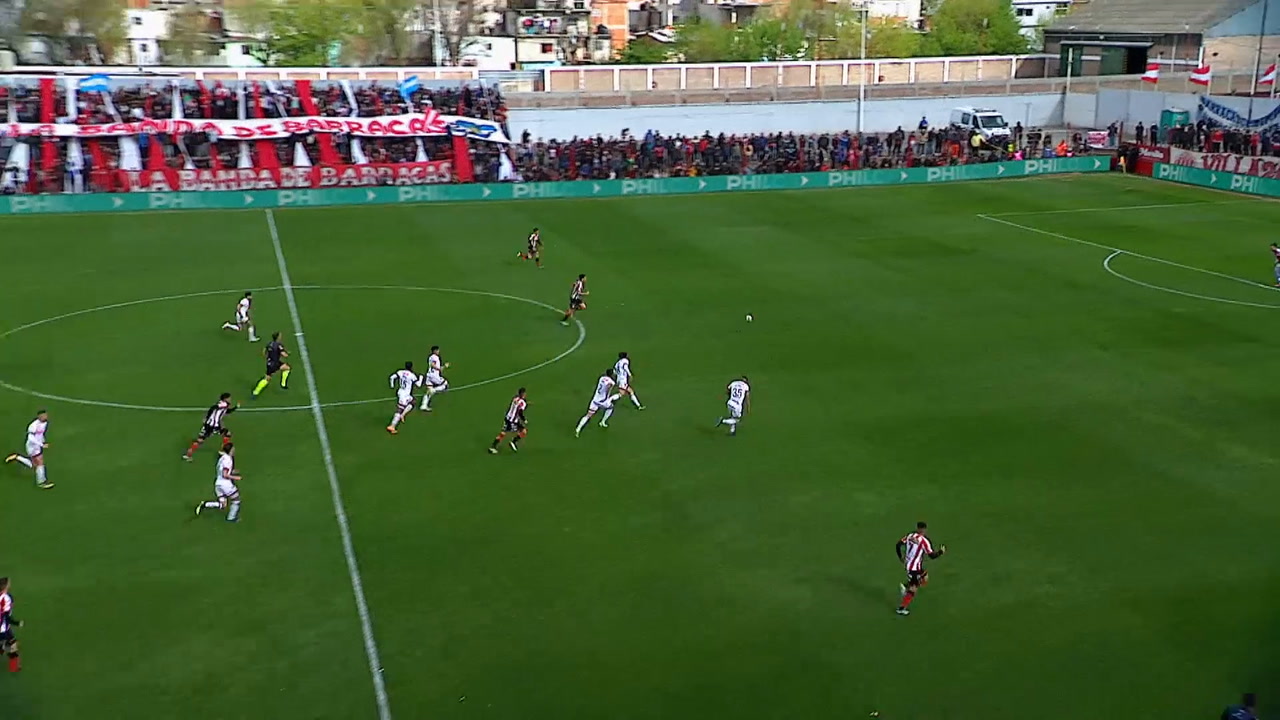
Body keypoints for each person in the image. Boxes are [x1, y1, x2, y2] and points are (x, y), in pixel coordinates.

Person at [895, 521, 946, 615]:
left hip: (914, 566)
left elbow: (898, 545)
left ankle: (906, 587)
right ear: (924, 529)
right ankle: (901, 608)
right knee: (914, 589)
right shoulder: (924, 541)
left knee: (925, 577)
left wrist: (901, 557)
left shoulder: (910, 536)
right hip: (913, 569)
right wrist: (941, 552)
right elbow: (932, 556)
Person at [5, 409, 53, 489]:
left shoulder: (45, 423)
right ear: (39, 417)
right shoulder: (33, 426)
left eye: (46, 415)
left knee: (34, 465)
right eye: (43, 415)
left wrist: (43, 441)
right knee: (39, 463)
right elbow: (30, 438)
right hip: (32, 447)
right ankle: (41, 482)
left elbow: (40, 434)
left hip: (38, 446)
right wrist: (41, 445)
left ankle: (17, 457)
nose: (46, 417)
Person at [183, 392, 237, 461]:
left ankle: (188, 454)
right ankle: (223, 451)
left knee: (201, 439)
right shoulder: (223, 404)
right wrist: (207, 417)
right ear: (225, 398)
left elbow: (226, 411)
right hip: (213, 425)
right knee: (226, 434)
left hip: (211, 425)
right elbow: (213, 408)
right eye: (229, 398)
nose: (230, 399)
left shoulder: (224, 404)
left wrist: (235, 407)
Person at [195, 443, 242, 522]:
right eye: (233, 449)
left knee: (222, 505)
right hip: (225, 484)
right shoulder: (228, 460)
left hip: (218, 484)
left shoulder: (222, 458)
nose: (234, 450)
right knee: (236, 500)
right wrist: (235, 477)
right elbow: (225, 474)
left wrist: (233, 471)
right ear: (230, 450)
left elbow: (223, 470)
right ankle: (231, 518)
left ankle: (205, 504)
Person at [575, 369, 620, 437]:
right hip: (602, 401)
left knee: (588, 415)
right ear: (612, 375)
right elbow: (609, 386)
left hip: (595, 400)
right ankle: (603, 422)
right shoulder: (612, 382)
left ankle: (578, 429)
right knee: (611, 407)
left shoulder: (601, 378)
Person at [489, 388, 528, 454]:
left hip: (507, 418)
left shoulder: (515, 398)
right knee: (524, 431)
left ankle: (493, 447)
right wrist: (524, 420)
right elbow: (520, 412)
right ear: (523, 394)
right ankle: (513, 442)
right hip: (513, 421)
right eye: (524, 393)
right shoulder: (522, 403)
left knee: (503, 433)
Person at [252, 332, 291, 397]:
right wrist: (287, 354)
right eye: (280, 336)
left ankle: (255, 392)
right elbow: (284, 355)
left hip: (269, 363)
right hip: (275, 363)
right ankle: (283, 384)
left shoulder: (269, 343)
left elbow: (264, 351)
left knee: (267, 378)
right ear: (278, 337)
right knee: (287, 368)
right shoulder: (279, 345)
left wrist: (267, 357)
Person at [387, 361, 422, 435]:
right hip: (405, 395)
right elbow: (418, 385)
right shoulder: (412, 375)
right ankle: (392, 426)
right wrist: (421, 378)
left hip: (400, 391)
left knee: (413, 401)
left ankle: (403, 415)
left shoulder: (400, 372)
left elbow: (392, 377)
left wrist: (392, 385)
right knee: (399, 409)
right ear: (411, 367)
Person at [419, 346, 450, 412]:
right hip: (434, 376)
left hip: (429, 375)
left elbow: (437, 367)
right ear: (435, 351)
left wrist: (444, 366)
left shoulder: (430, 357)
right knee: (445, 384)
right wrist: (442, 367)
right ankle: (434, 390)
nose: (439, 351)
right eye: (438, 350)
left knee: (428, 391)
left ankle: (423, 405)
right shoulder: (434, 357)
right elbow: (433, 365)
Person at [0, 577, 21, 673]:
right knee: (13, 645)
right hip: (3, 628)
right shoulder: (7, 599)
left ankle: (2, 647)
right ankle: (14, 667)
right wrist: (17, 623)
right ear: (5, 587)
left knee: (8, 643)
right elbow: (7, 616)